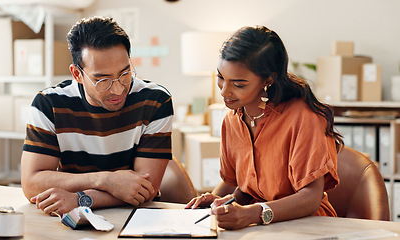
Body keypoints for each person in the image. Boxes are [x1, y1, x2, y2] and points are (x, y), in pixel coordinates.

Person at [185, 26, 343, 230]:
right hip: (259, 227)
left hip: (309, 226)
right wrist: (217, 203)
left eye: (239, 84)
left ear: (268, 79)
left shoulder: (304, 117)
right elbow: (238, 186)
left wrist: (252, 213)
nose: (225, 91)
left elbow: (311, 198)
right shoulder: (231, 120)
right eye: (221, 77)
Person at [21, 16, 173, 216]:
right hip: (70, 219)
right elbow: (32, 184)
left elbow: (145, 190)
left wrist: (80, 199)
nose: (118, 89)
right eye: (102, 79)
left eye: (125, 73)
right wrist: (105, 180)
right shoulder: (49, 104)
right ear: (77, 74)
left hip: (135, 215)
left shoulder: (155, 101)